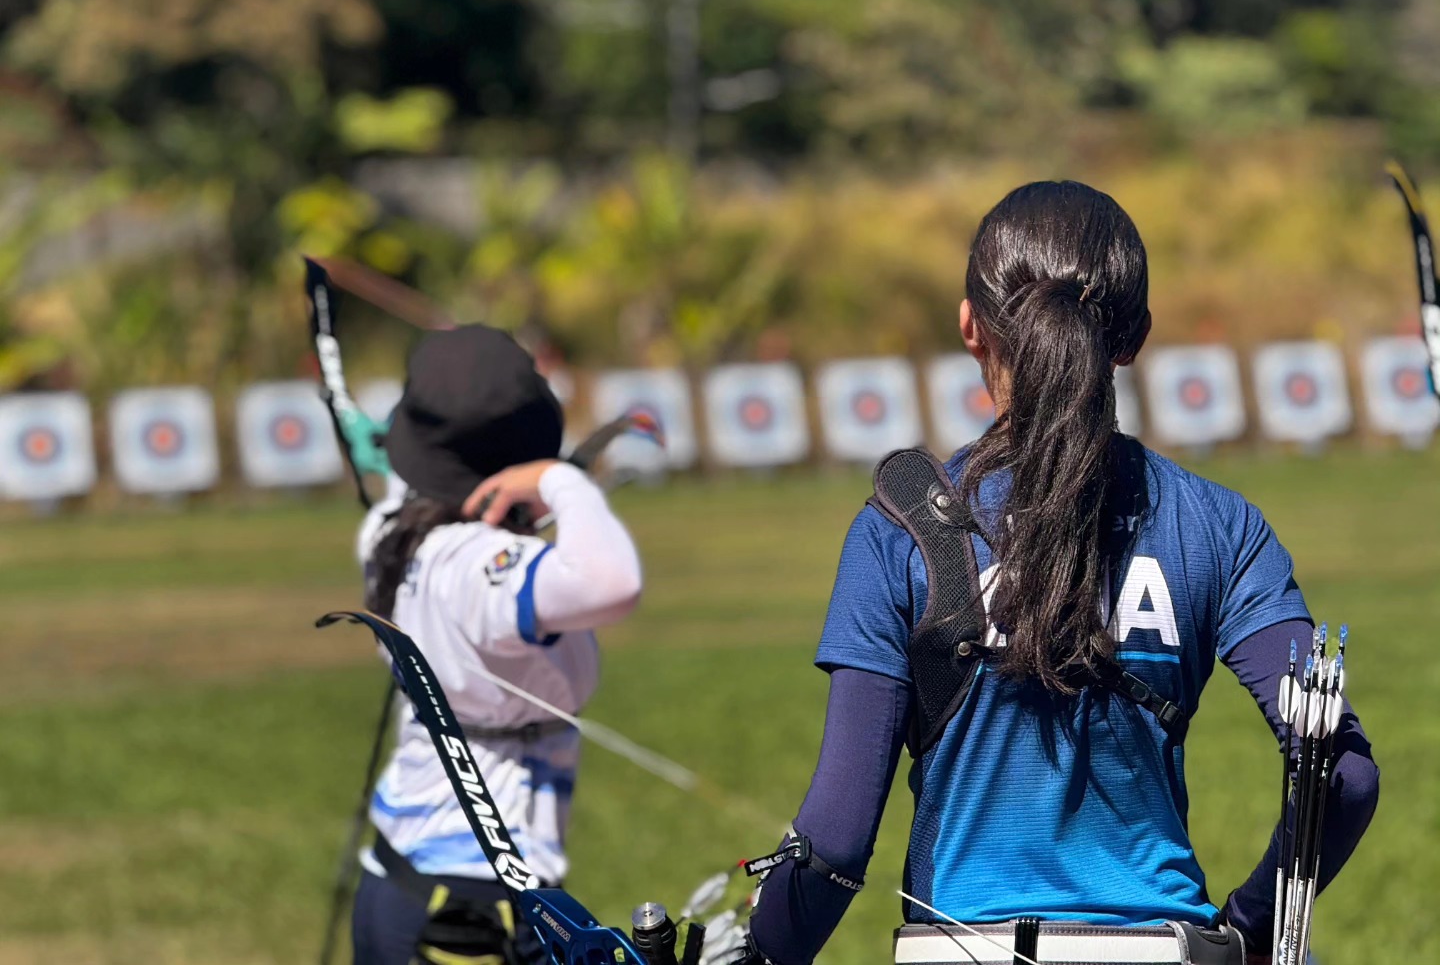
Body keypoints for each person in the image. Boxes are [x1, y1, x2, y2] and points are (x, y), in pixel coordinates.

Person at [743, 182, 1379, 965]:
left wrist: (760, 954)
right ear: (1136, 337)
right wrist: (1246, 929)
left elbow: (836, 839)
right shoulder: (1219, 525)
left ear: (971, 325)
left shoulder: (898, 526)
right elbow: (1341, 774)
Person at [351, 324, 644, 965]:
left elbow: (422, 482)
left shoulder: (384, 531)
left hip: (396, 880)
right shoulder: (484, 569)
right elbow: (615, 582)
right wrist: (562, 485)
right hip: (482, 904)